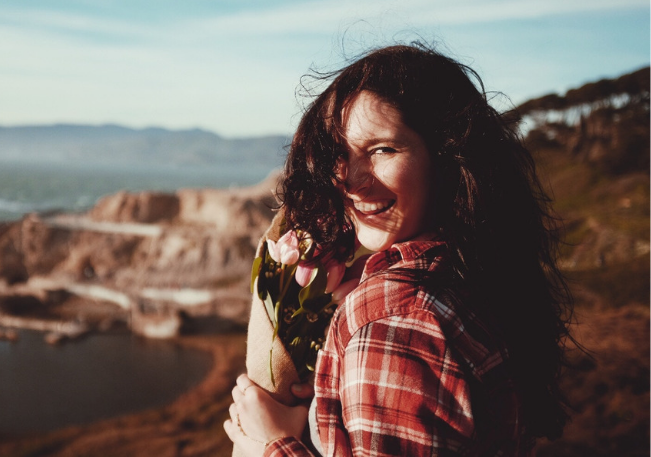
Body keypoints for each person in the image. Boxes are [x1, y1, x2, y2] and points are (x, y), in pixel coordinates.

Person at [224, 43, 573, 456]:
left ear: (447, 157)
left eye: (382, 149)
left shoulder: (396, 321)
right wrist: (327, 398)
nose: (351, 180)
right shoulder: (476, 272)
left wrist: (272, 444)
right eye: (339, 152)